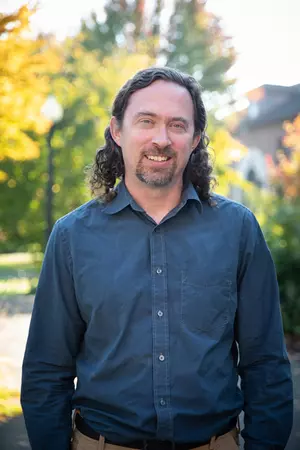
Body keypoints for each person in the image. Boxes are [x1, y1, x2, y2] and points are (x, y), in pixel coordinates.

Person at [21, 67, 293, 450]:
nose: (161, 139)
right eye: (146, 121)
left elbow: (265, 364)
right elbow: (46, 371)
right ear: (117, 130)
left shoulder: (238, 230)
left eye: (177, 125)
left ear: (196, 138)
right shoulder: (72, 236)